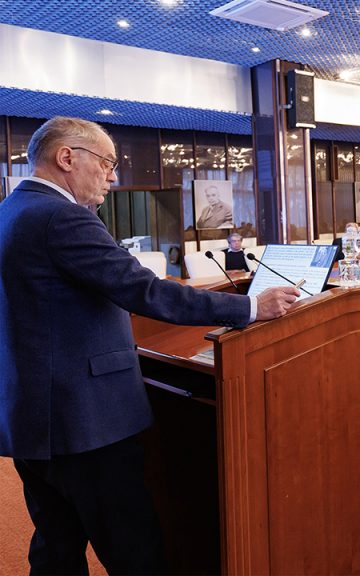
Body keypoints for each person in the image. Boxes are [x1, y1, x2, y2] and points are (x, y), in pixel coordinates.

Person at [0, 117, 299, 574]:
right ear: (67, 158)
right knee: (133, 549)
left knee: (56, 545)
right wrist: (251, 308)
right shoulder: (62, 216)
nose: (112, 177)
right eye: (106, 163)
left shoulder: (11, 210)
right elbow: (144, 290)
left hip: (32, 413)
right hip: (85, 419)